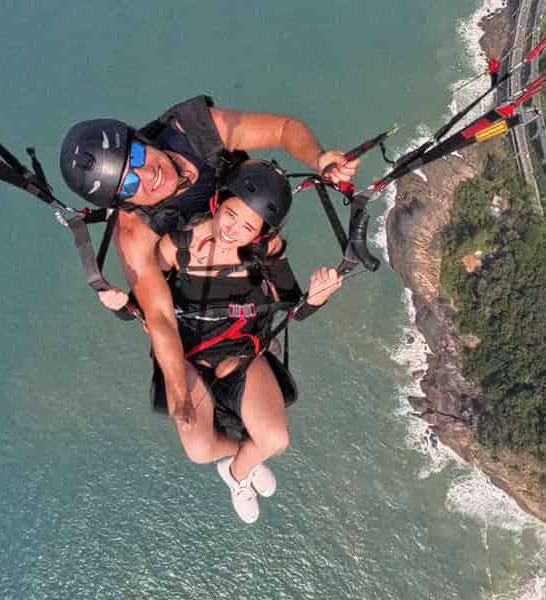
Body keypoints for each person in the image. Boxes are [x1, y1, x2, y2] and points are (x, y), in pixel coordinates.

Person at [59, 96, 358, 438]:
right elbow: (160, 319)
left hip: (242, 218)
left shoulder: (193, 133)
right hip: (197, 267)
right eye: (129, 184)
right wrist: (180, 394)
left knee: (264, 288)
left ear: (141, 138)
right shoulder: (134, 233)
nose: (148, 175)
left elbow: (283, 129)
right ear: (123, 202)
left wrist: (318, 159)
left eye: (138, 157)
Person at [101, 159, 343, 522]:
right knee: (199, 450)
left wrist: (318, 297)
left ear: (261, 232)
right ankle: (243, 456)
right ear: (218, 203)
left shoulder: (264, 253)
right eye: (230, 215)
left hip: (242, 354)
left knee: (276, 440)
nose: (233, 230)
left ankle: (237, 473)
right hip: (187, 358)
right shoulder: (178, 244)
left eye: (248, 226)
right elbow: (149, 299)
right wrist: (123, 307)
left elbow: (290, 306)